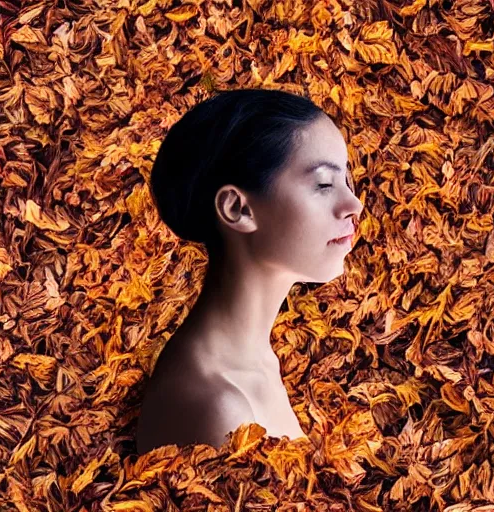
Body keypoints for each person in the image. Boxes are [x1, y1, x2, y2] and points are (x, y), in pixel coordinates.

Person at [135, 88, 364, 454]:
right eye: (324, 184)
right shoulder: (217, 410)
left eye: (346, 182)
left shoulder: (258, 359)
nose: (353, 204)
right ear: (237, 209)